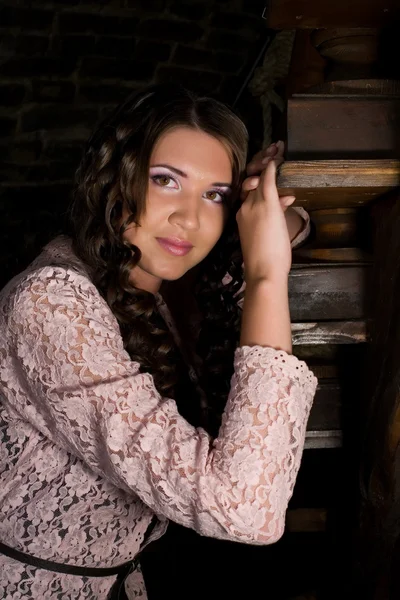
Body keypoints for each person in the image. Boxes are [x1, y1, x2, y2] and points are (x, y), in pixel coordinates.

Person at [0, 84, 317, 600]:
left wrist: (283, 213)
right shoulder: (51, 306)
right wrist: (266, 276)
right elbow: (245, 510)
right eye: (166, 180)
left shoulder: (159, 282)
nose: (189, 219)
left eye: (214, 194)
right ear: (113, 178)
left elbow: (280, 235)